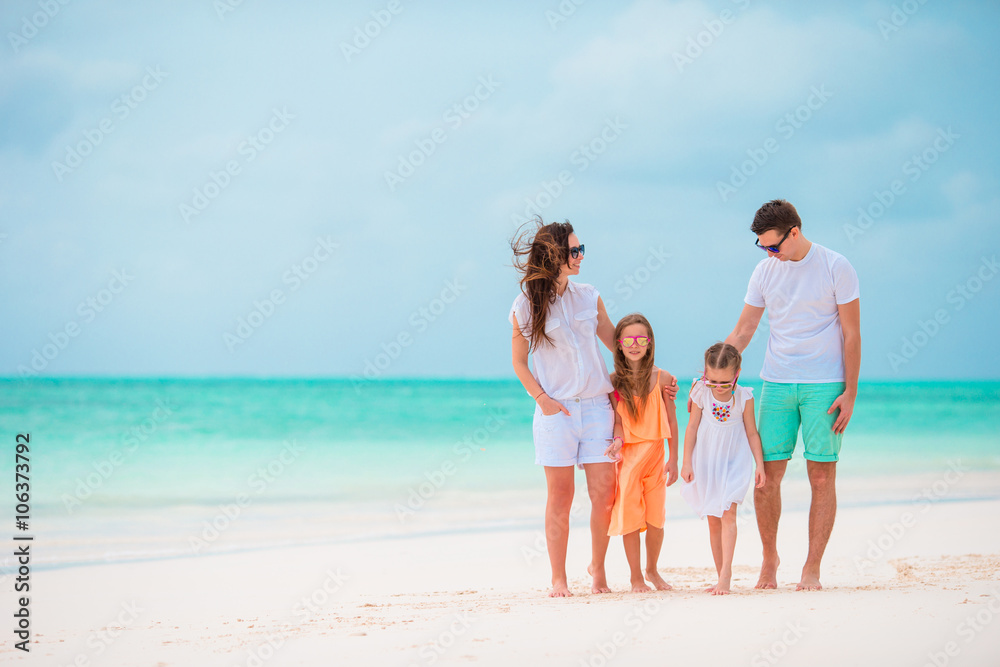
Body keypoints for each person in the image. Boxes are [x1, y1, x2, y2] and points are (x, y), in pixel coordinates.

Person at [509, 218, 677, 597]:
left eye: (581, 249)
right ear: (554, 255)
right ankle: (559, 579)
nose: (581, 256)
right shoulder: (525, 305)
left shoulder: (589, 296)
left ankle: (598, 572)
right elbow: (519, 362)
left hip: (599, 408)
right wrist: (543, 400)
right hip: (557, 413)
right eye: (574, 250)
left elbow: (620, 348)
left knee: (605, 493)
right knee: (561, 497)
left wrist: (655, 380)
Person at [722, 199, 861, 591]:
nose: (769, 253)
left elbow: (852, 333)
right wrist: (714, 374)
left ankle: (811, 568)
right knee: (766, 477)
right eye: (763, 247)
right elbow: (745, 329)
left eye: (773, 246)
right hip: (777, 383)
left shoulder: (837, 267)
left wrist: (851, 392)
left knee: (821, 476)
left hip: (825, 385)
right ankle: (770, 561)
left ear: (794, 233)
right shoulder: (765, 271)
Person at [680, 343, 765, 595]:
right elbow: (692, 427)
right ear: (705, 374)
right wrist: (686, 462)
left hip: (734, 461)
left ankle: (726, 574)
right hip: (706, 460)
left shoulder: (744, 397)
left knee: (729, 512)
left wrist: (759, 463)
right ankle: (719, 576)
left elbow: (751, 432)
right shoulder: (700, 392)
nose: (718, 387)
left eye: (725, 383)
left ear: (737, 373)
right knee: (713, 519)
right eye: (712, 381)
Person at [604, 313, 679, 593]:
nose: (634, 345)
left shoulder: (664, 378)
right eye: (628, 340)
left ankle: (652, 570)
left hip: (656, 457)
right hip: (629, 461)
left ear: (649, 344)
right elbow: (618, 423)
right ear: (619, 345)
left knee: (655, 518)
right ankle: (636, 577)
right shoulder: (612, 382)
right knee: (630, 518)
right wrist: (616, 442)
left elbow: (672, 421)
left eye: (641, 339)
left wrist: (675, 459)